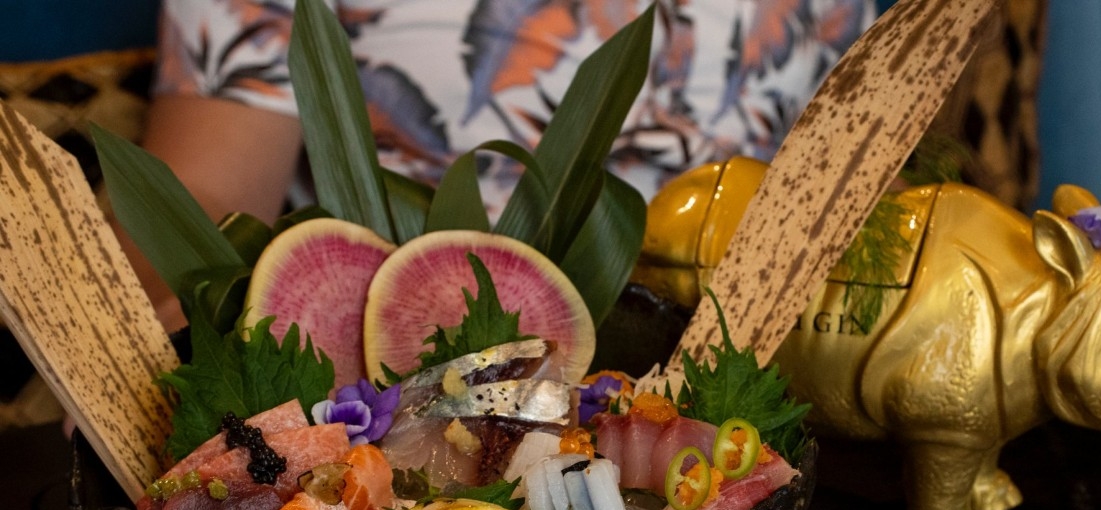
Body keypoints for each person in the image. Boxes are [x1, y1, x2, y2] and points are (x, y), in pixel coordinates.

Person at [127, 0, 880, 330]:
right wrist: (174, 315)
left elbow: (869, 167)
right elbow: (207, 188)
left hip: (755, 361)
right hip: (392, 380)